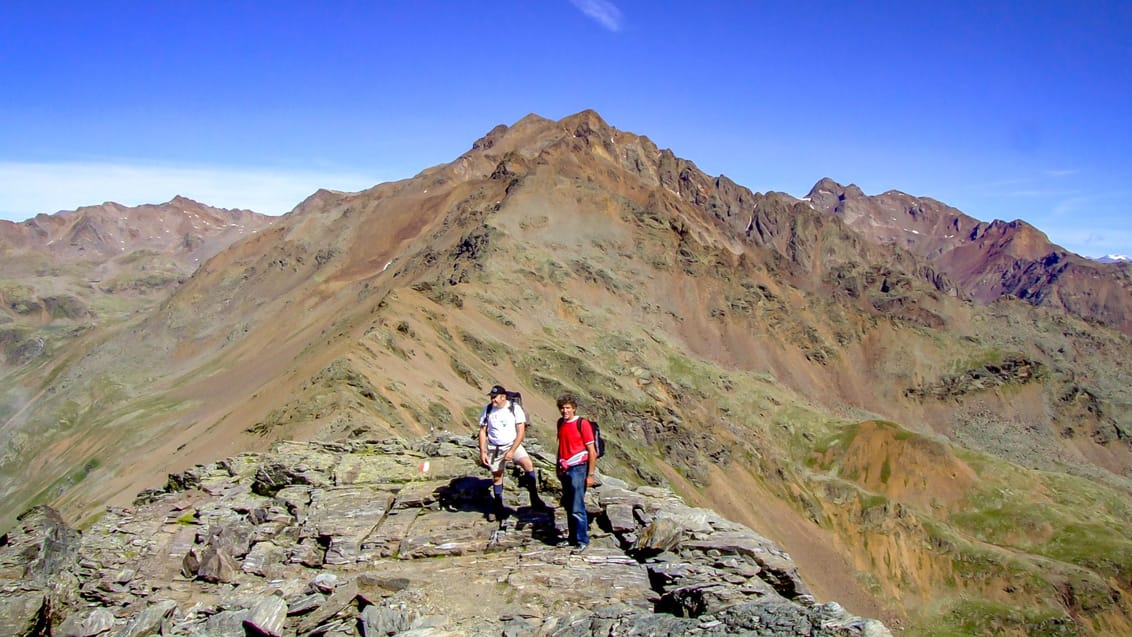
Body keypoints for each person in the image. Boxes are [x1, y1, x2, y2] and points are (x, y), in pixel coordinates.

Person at [478, 384, 546, 522]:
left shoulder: (515, 408)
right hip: (494, 447)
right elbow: (482, 431)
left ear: (503, 397)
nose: (493, 400)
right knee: (497, 476)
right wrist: (483, 451)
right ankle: (498, 506)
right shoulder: (488, 409)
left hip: (512, 444)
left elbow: (521, 431)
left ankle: (534, 498)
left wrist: (513, 450)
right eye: (491, 397)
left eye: (495, 397)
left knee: (527, 464)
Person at [554, 393, 597, 554]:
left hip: (579, 468)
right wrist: (557, 466)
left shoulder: (582, 424)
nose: (565, 411)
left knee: (577, 505)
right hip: (565, 467)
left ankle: (582, 540)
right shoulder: (560, 423)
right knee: (569, 504)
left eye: (568, 408)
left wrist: (590, 474)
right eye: (562, 408)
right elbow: (561, 446)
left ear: (574, 408)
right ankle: (572, 538)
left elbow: (592, 451)